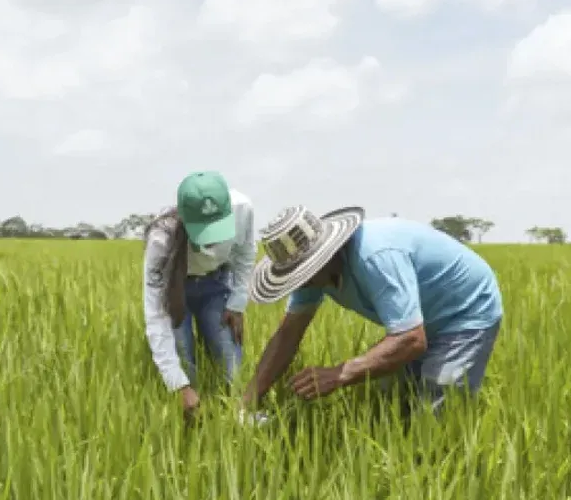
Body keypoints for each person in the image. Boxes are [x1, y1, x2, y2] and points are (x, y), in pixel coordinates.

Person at [239, 205, 503, 418]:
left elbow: (411, 339)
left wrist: (338, 374)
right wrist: (249, 399)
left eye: (302, 272)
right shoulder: (314, 276)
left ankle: (439, 468)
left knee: (438, 402)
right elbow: (288, 334)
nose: (299, 281)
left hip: (466, 310)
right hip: (420, 316)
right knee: (394, 398)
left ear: (324, 254)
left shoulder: (375, 258)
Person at [141, 171, 256, 419]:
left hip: (216, 284)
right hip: (177, 289)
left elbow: (246, 253)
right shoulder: (162, 238)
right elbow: (156, 316)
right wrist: (179, 385)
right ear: (183, 218)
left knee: (232, 365)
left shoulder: (242, 208)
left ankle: (237, 420)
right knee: (184, 361)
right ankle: (191, 425)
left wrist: (237, 304)